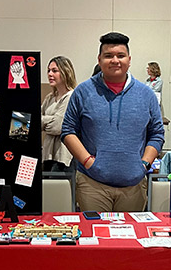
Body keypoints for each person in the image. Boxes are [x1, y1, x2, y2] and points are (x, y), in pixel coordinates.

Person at [61, 32, 164, 211]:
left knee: (129, 238)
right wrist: (87, 161)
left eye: (120, 56)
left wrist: (144, 164)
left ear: (129, 60)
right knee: (94, 237)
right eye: (108, 56)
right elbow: (68, 131)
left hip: (134, 185)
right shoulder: (83, 91)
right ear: (99, 59)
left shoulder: (146, 94)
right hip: (92, 184)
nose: (115, 60)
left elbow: (157, 134)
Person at [41, 57, 78, 173]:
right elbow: (32, 122)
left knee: (59, 189)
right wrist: (50, 120)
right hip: (47, 155)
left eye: (54, 70)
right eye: (48, 71)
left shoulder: (71, 96)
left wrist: (44, 121)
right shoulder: (50, 98)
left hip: (63, 157)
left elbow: (57, 126)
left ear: (65, 71)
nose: (50, 74)